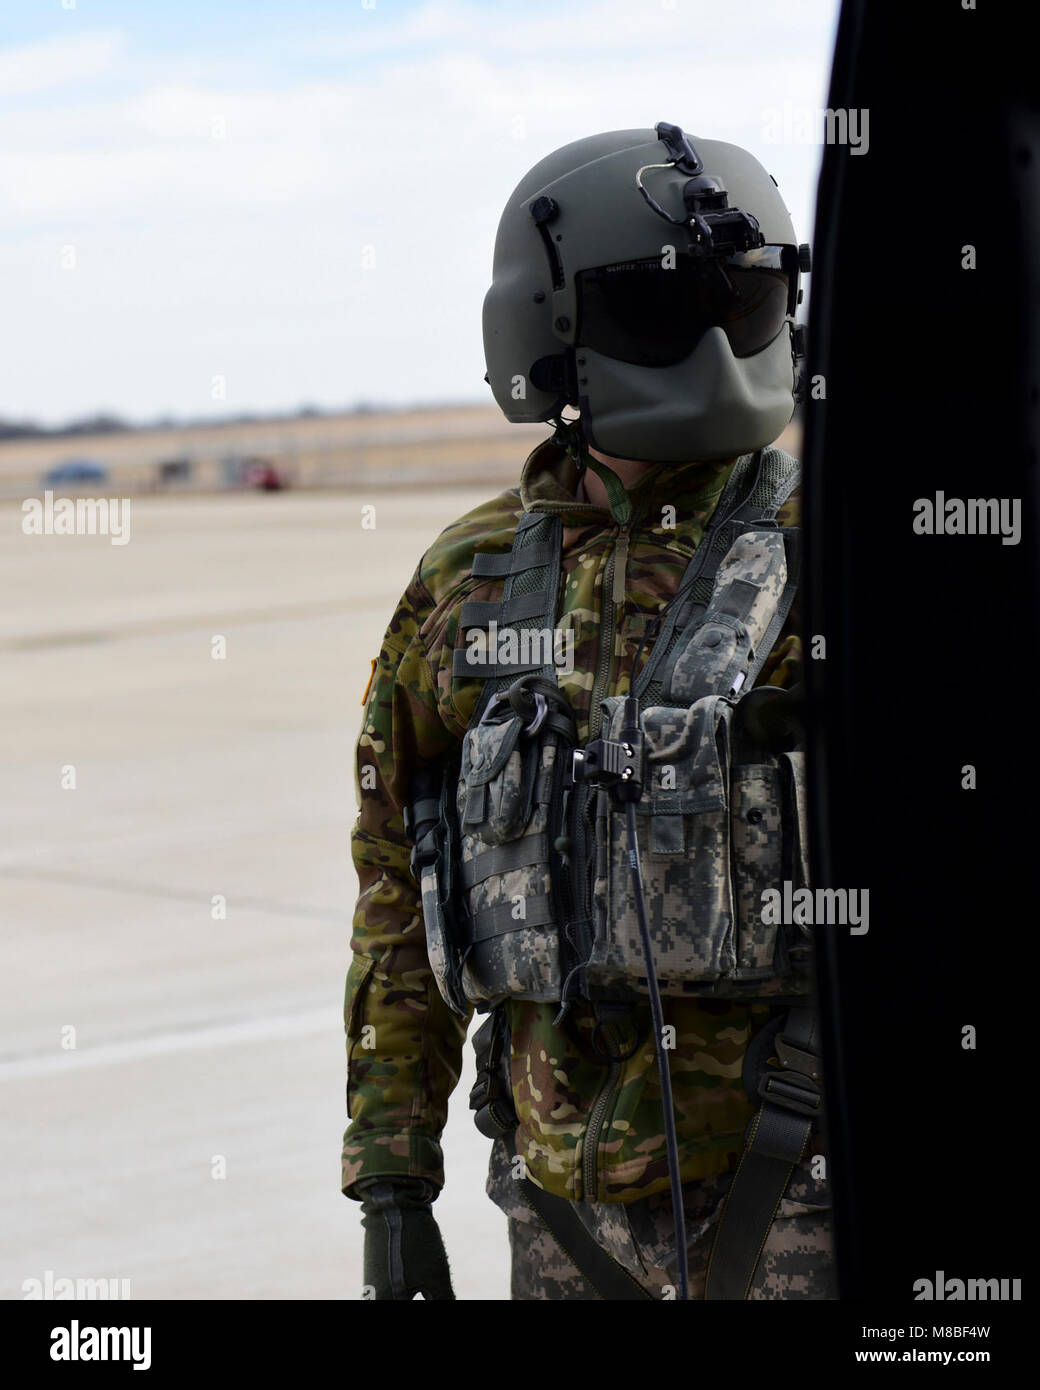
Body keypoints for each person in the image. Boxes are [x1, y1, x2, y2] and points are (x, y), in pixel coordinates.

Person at [342, 122, 833, 1301]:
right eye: (663, 312)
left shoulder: (835, 549)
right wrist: (393, 1182)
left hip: (805, 1194)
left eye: (748, 301)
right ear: (549, 338)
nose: (715, 348)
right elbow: (395, 890)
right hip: (556, 1215)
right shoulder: (464, 584)